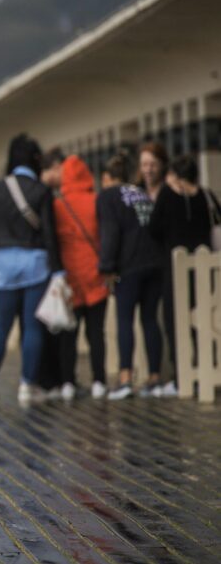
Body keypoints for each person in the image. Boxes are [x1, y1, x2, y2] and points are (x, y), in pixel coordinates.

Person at [0, 134, 62, 404]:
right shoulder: (41, 191)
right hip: (35, 264)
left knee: (1, 325)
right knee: (32, 327)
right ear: (35, 160)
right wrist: (58, 270)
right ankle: (27, 385)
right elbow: (50, 235)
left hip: (2, 264)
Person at [97, 153, 163, 400]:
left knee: (124, 320)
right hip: (155, 263)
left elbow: (110, 233)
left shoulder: (107, 196)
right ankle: (155, 378)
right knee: (149, 320)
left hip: (129, 266)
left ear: (106, 178)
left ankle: (125, 378)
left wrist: (106, 267)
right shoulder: (141, 193)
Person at [148, 154, 214, 397]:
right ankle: (205, 366)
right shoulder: (205, 195)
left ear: (174, 175)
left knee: (175, 322)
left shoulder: (167, 195)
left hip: (174, 269)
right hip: (203, 268)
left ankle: (180, 375)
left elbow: (153, 228)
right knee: (203, 320)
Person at [53, 155, 109, 399]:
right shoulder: (96, 202)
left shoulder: (58, 206)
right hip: (96, 276)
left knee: (69, 335)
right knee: (96, 333)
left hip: (71, 278)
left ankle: (67, 383)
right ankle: (99, 381)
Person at [37, 147, 68, 395]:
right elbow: (50, 235)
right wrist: (58, 270)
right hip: (47, 268)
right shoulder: (45, 195)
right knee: (54, 326)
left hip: (35, 269)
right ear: (55, 167)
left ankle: (43, 378)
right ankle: (52, 379)